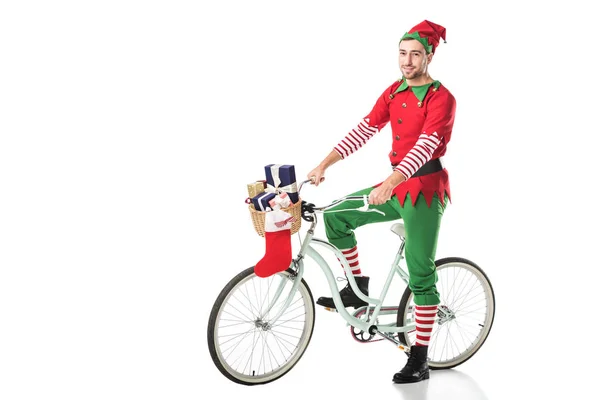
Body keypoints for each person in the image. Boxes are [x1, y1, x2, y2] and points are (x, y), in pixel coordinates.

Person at [307, 20, 456, 384]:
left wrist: (390, 181)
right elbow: (366, 128)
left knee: (420, 272)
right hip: (395, 187)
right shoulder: (394, 92)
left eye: (415, 55)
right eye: (402, 54)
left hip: (422, 191)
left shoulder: (441, 97)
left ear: (429, 56)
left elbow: (426, 146)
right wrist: (325, 163)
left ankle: (419, 358)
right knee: (337, 216)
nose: (407, 61)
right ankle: (358, 287)